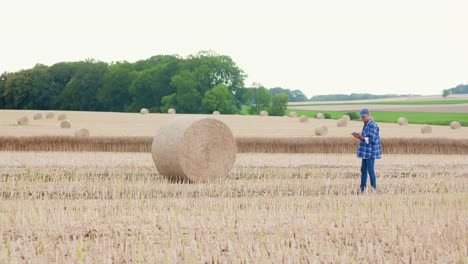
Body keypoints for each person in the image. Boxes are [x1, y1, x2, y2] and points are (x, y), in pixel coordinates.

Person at [352, 108, 382, 193]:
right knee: (363, 170)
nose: (362, 118)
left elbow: (371, 139)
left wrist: (360, 137)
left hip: (370, 151)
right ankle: (362, 189)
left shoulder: (372, 125)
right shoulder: (366, 124)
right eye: (361, 117)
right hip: (365, 151)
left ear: (368, 115)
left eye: (363, 116)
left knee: (370, 170)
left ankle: (373, 189)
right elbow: (366, 136)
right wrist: (360, 136)